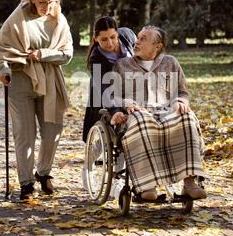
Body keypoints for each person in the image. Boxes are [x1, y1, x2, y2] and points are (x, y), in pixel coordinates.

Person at [0, 0, 73, 200]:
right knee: (25, 135)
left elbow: (67, 54)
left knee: (52, 132)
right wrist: (3, 69)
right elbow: (1, 47)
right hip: (20, 79)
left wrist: (43, 54)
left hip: (50, 80)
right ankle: (26, 183)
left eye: (52, 2)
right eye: (43, 2)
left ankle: (43, 173)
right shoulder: (18, 17)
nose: (48, 7)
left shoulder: (60, 21)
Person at [111, 25, 208, 201]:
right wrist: (125, 103)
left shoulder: (170, 63)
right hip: (137, 113)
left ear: (158, 46)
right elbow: (113, 96)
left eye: (143, 39)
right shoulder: (122, 65)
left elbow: (183, 92)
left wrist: (180, 101)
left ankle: (189, 183)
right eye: (138, 38)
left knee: (187, 118)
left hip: (166, 112)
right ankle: (147, 186)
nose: (137, 42)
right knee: (143, 122)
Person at [82, 16, 136, 142]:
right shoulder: (95, 59)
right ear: (95, 39)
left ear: (117, 33)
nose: (110, 43)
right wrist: (114, 110)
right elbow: (103, 88)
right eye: (104, 39)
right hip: (105, 90)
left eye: (113, 37)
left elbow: (142, 51)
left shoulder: (127, 35)